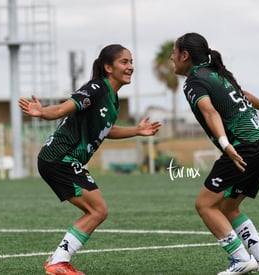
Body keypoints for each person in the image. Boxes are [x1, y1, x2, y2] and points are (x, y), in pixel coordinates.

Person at [18, 44, 161, 275]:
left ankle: (58, 261)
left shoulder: (112, 99)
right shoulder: (96, 88)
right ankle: (58, 262)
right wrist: (43, 112)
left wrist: (136, 130)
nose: (131, 67)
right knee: (97, 211)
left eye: (131, 62)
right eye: (124, 62)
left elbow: (106, 130)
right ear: (108, 67)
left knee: (98, 211)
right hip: (59, 158)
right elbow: (65, 107)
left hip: (65, 161)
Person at [171, 32, 259, 275]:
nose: (171, 57)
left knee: (205, 205)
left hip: (245, 147)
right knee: (229, 207)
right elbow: (242, 95)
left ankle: (241, 259)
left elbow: (210, 112)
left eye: (174, 53)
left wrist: (224, 144)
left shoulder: (194, 81)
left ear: (185, 55)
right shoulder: (215, 72)